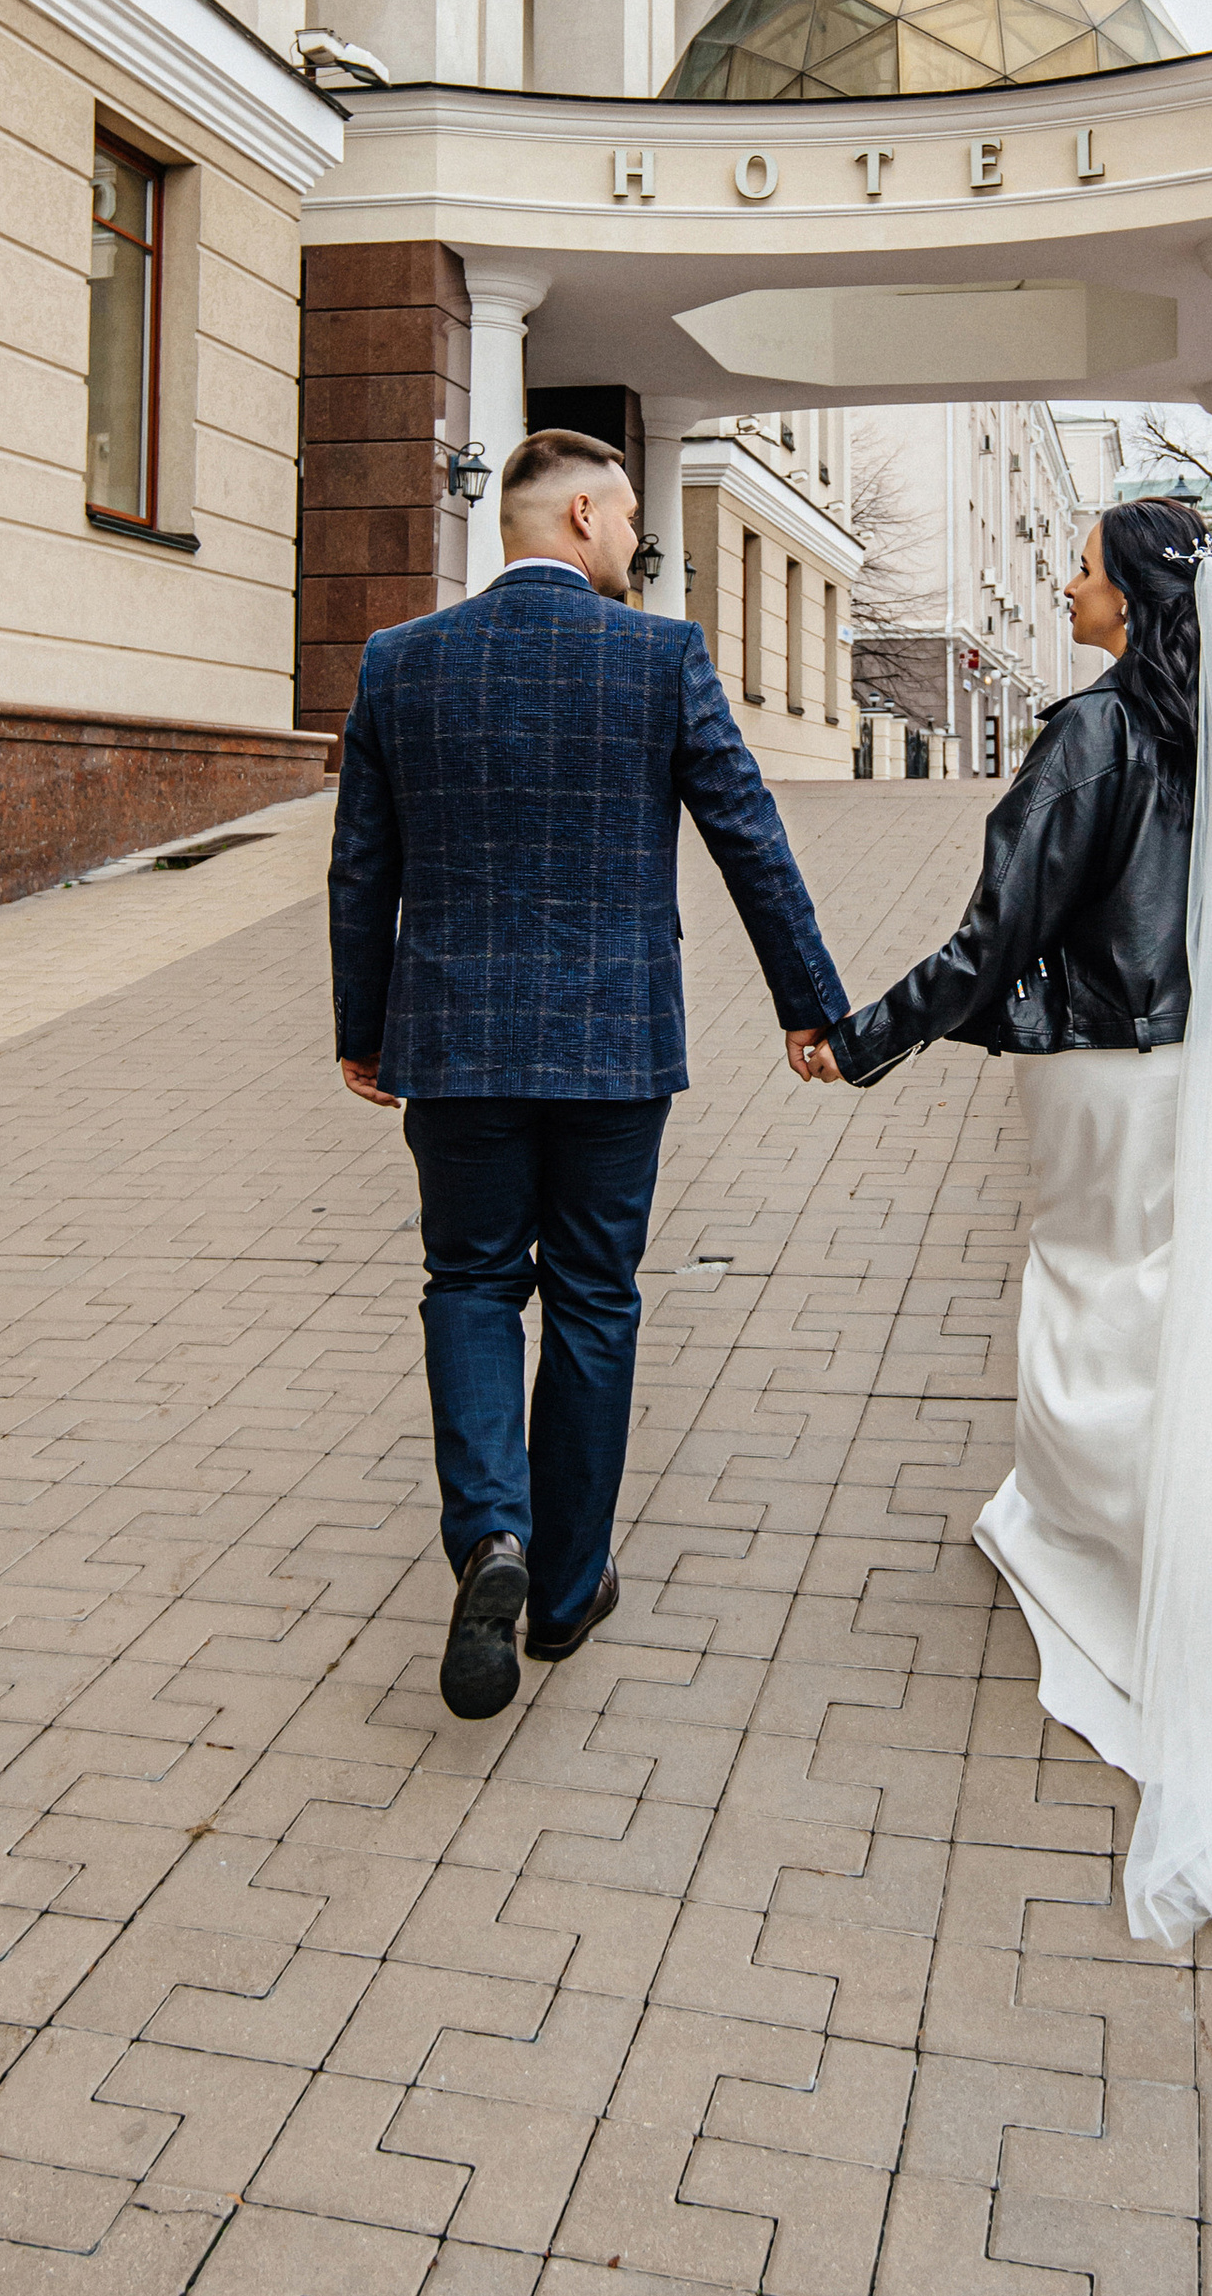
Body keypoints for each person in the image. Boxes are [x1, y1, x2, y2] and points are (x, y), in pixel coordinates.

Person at [811, 496, 1212, 1940]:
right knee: (1210, 1313)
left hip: (1106, 1076)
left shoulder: (1090, 734)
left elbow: (1000, 932)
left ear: (1131, 593)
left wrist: (866, 1036)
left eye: (1083, 567)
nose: (1067, 580)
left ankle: (1106, 1570)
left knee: (1097, 1305)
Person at [329, 428, 845, 1721]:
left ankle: (490, 1535)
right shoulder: (660, 657)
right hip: (616, 1045)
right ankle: (562, 1593)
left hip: (453, 1040)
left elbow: (359, 866)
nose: (633, 544)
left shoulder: (401, 662)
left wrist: (362, 1025)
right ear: (572, 520)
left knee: (470, 1281)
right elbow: (750, 839)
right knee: (597, 1299)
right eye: (623, 520)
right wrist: (812, 1007)